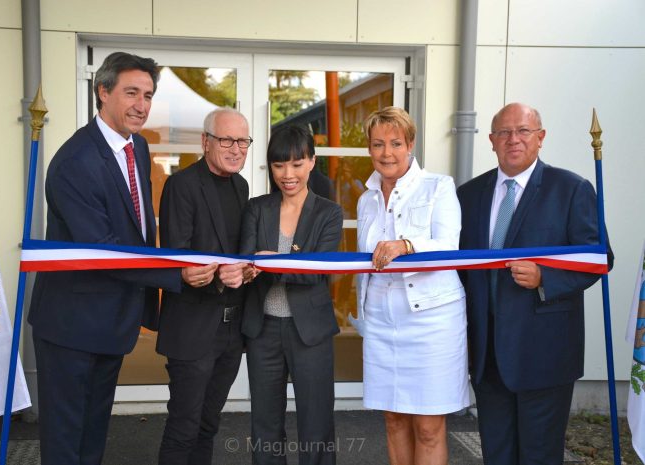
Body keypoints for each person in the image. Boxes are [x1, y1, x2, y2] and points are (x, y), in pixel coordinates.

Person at [28, 52, 183, 465]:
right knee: (66, 443)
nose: (142, 105)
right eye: (131, 92)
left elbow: (137, 225)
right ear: (103, 92)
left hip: (111, 322)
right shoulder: (75, 162)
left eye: (148, 94)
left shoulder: (139, 145)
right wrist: (179, 272)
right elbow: (106, 249)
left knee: (94, 434)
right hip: (71, 327)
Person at [456, 102, 614, 465]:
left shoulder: (571, 189)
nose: (514, 139)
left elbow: (600, 258)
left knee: (539, 455)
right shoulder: (469, 195)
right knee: (496, 453)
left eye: (523, 131)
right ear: (492, 141)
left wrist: (547, 277)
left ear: (540, 138)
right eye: (505, 133)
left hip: (544, 352)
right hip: (488, 354)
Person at [348, 106, 469, 465]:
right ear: (369, 148)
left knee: (429, 426)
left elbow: (450, 246)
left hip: (432, 322)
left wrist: (407, 245)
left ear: (411, 144)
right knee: (393, 418)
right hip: (382, 322)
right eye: (378, 144)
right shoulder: (366, 198)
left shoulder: (439, 186)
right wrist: (362, 317)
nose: (387, 153)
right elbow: (363, 266)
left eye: (396, 143)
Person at [240, 125, 343, 465]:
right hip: (263, 330)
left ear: (312, 162)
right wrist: (255, 266)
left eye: (297, 164)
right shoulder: (257, 208)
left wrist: (270, 261)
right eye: (279, 165)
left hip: (310, 331)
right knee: (265, 424)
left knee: (316, 424)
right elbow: (247, 260)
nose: (288, 174)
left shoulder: (329, 212)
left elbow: (318, 271)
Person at [156, 107, 251, 464]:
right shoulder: (181, 184)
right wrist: (218, 275)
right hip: (193, 327)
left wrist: (248, 270)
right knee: (184, 426)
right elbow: (178, 254)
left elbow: (242, 255)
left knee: (209, 424)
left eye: (243, 141)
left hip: (231, 328)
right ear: (206, 142)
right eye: (227, 139)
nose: (236, 148)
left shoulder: (241, 187)